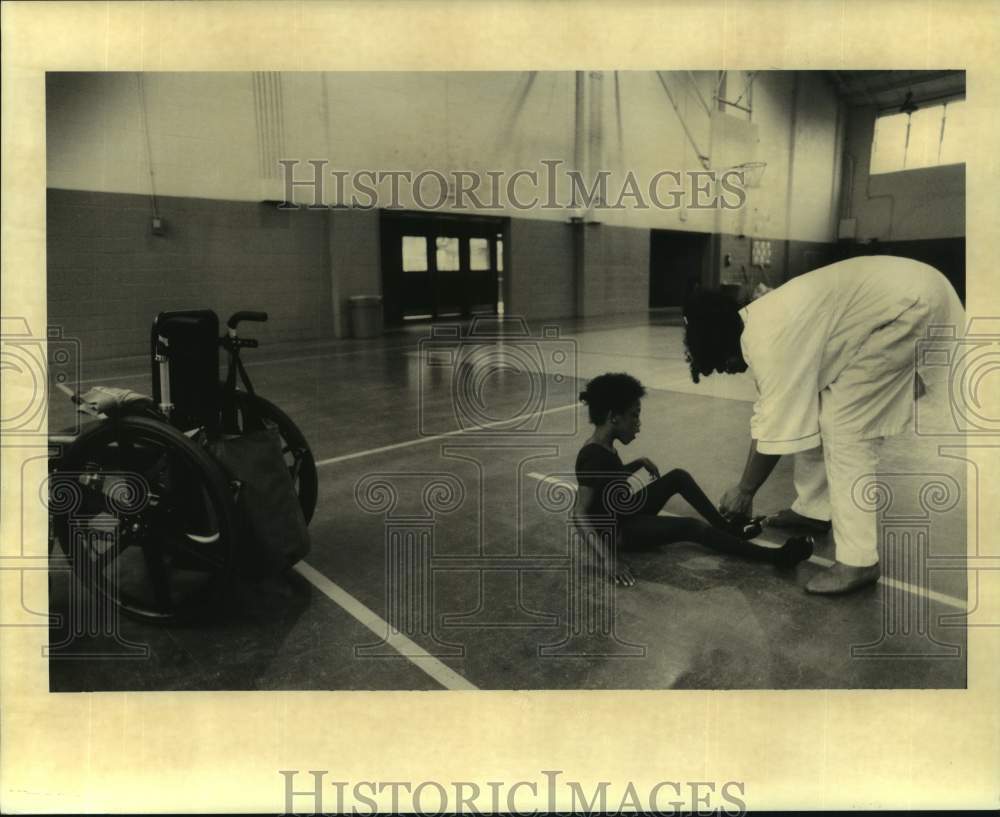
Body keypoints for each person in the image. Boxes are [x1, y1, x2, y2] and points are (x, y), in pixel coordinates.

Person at [683, 256, 965, 595]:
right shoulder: (753, 325)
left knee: (847, 429)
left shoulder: (768, 345)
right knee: (822, 404)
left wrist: (745, 490)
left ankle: (859, 560)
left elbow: (774, 424)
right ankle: (814, 510)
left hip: (909, 306)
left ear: (726, 347)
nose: (727, 372)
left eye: (721, 365)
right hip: (913, 289)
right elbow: (779, 414)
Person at [572, 372, 813, 586]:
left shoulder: (604, 446)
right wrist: (608, 560)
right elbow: (579, 513)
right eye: (634, 416)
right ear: (614, 417)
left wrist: (637, 463)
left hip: (624, 512)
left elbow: (607, 480)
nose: (638, 424)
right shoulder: (592, 455)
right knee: (690, 527)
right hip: (618, 532)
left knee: (678, 476)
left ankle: (727, 529)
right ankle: (776, 557)